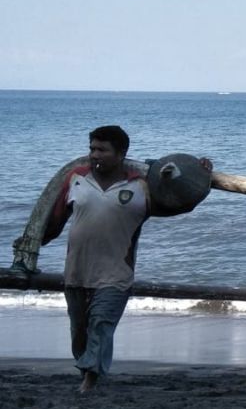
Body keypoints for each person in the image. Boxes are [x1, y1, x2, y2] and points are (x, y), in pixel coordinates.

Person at [41, 125, 211, 393]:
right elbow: (54, 221)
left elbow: (179, 203)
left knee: (101, 324)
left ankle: (90, 381)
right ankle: (88, 369)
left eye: (102, 150)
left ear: (121, 154)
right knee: (80, 332)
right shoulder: (76, 178)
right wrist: (30, 248)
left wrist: (198, 175)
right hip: (76, 272)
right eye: (92, 149)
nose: (95, 155)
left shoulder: (141, 186)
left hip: (116, 273)